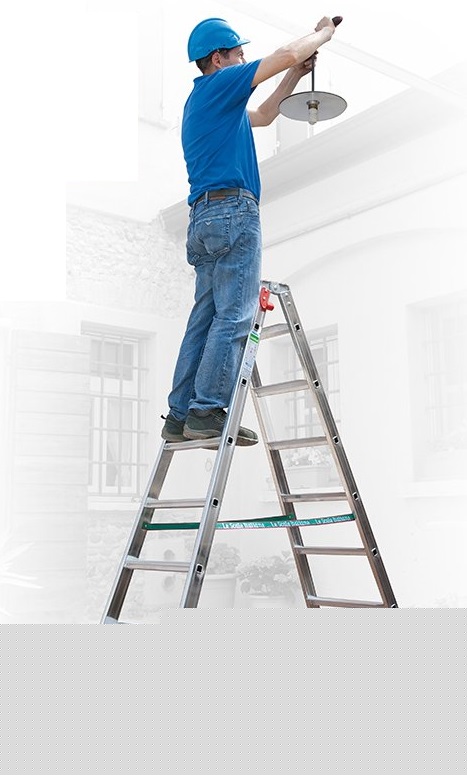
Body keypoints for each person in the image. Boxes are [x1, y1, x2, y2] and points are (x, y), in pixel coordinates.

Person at [161, 15, 338, 445]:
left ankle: (179, 415)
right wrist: (323, 34)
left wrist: (295, 77)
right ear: (218, 59)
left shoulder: (208, 102)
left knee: (204, 319)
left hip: (204, 218)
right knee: (236, 315)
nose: (244, 60)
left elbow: (263, 115)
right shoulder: (221, 84)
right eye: (239, 54)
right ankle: (207, 410)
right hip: (233, 212)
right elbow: (286, 53)